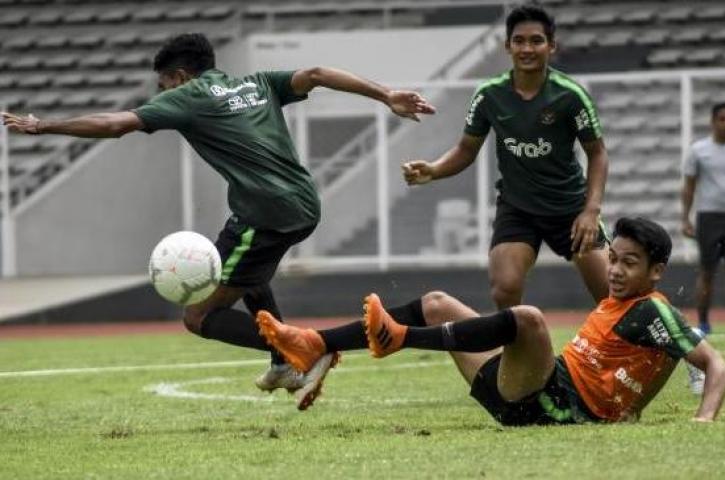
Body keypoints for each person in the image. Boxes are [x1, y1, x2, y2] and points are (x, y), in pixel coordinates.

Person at [2, 33, 435, 409]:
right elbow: (318, 72)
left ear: (181, 78)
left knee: (198, 317)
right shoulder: (258, 83)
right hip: (297, 203)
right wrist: (386, 95)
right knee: (241, 264)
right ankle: (284, 361)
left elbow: (117, 124)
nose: (163, 93)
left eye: (164, 85)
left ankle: (308, 349)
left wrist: (44, 127)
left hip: (267, 213)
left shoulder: (188, 97)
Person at [257, 217, 725, 424]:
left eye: (630, 263)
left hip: (560, 410)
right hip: (527, 394)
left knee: (529, 319)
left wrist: (705, 418)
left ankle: (400, 337)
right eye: (615, 259)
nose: (616, 271)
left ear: (656, 271)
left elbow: (716, 365)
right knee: (438, 300)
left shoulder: (653, 309)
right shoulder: (622, 300)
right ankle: (316, 344)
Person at [401, 4, 610, 310]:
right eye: (519, 41)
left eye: (536, 40)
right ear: (507, 46)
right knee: (505, 289)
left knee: (611, 293)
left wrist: (590, 211)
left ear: (551, 46)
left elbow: (598, 154)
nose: (527, 48)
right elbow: (465, 150)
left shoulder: (570, 96)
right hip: (518, 208)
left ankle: (634, 352)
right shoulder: (489, 95)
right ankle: (516, 357)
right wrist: (433, 170)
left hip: (569, 208)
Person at [681, 102, 725, 335]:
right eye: (722, 119)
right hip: (709, 217)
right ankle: (702, 322)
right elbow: (689, 187)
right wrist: (685, 218)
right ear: (713, 121)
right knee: (707, 271)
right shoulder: (699, 150)